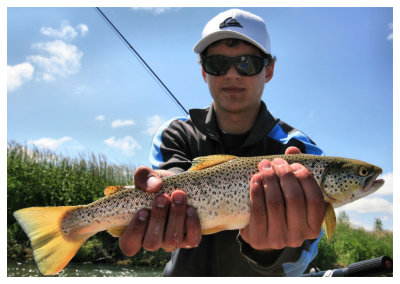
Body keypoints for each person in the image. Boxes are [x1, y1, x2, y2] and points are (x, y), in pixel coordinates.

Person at [119, 9, 326, 276]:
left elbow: (308, 247)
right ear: (204, 71)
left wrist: (271, 253)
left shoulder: (299, 150)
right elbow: (173, 180)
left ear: (269, 69)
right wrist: (162, 192)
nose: (231, 74)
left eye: (247, 63)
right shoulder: (174, 133)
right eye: (217, 63)